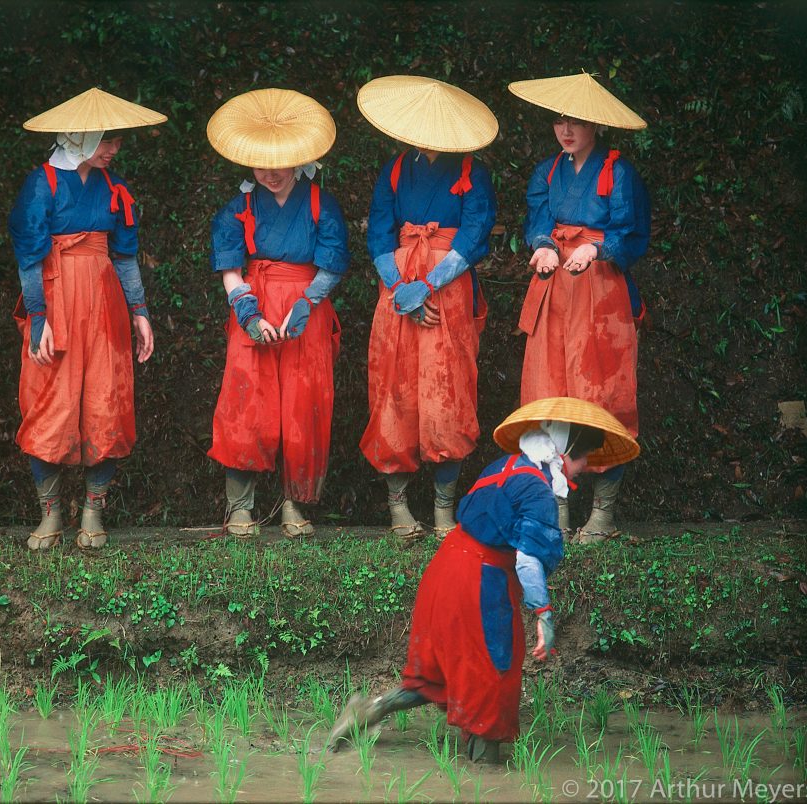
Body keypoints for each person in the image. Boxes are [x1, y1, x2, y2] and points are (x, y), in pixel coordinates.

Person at [328, 397, 639, 761]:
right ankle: (485, 766)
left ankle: (370, 710)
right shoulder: (538, 490)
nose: (585, 468)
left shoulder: (502, 466)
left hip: (444, 570)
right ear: (566, 451)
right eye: (584, 458)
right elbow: (527, 560)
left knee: (445, 668)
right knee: (495, 672)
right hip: (478, 581)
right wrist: (544, 615)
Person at [9, 88, 165, 550]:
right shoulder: (42, 184)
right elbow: (28, 259)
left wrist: (140, 312)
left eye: (116, 141)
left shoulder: (114, 188)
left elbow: (126, 256)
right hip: (56, 303)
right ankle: (50, 517)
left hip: (104, 306)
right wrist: (38, 318)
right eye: (106, 140)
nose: (114, 149)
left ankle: (93, 513)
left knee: (106, 401)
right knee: (48, 405)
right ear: (79, 136)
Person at [355, 75, 499, 546]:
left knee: (448, 392)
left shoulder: (472, 172)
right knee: (393, 389)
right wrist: (401, 290)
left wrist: (429, 285)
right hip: (396, 290)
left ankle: (443, 508)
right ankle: (398, 506)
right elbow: (379, 229)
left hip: (449, 291)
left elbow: (476, 234)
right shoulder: (396, 169)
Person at [508, 72, 651, 543]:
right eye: (559, 120)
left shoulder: (618, 170)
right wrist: (545, 245)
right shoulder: (548, 171)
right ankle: (557, 512)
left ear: (596, 126)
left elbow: (631, 233)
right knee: (550, 391)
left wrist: (599, 247)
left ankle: (603, 515)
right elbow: (538, 220)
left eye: (577, 121)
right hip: (555, 292)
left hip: (602, 295)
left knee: (602, 393)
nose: (566, 129)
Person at [205, 88, 349, 538]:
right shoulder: (239, 206)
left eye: (279, 162)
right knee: (246, 401)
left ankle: (294, 504)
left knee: (302, 403)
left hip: (307, 308)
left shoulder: (321, 203)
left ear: (298, 158)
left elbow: (333, 263)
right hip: (255, 303)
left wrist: (308, 302)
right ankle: (241, 506)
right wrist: (247, 311)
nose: (269, 172)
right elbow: (230, 268)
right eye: (260, 163)